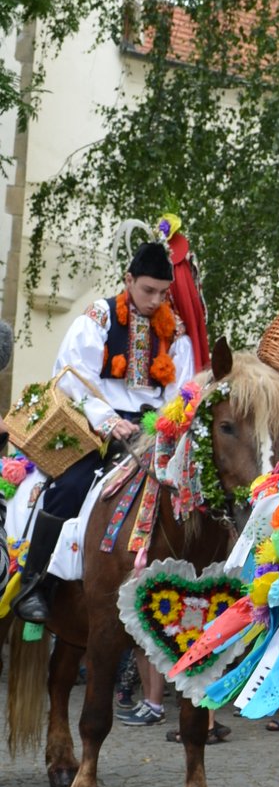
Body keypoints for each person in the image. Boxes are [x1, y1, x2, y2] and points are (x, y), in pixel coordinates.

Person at [12, 240, 194, 625]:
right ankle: (35, 584)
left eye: (163, 293)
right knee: (71, 485)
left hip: (150, 430)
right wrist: (108, 420)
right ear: (128, 280)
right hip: (99, 425)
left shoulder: (176, 333)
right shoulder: (99, 317)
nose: (155, 300)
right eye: (147, 290)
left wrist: (161, 424)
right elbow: (74, 377)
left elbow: (182, 392)